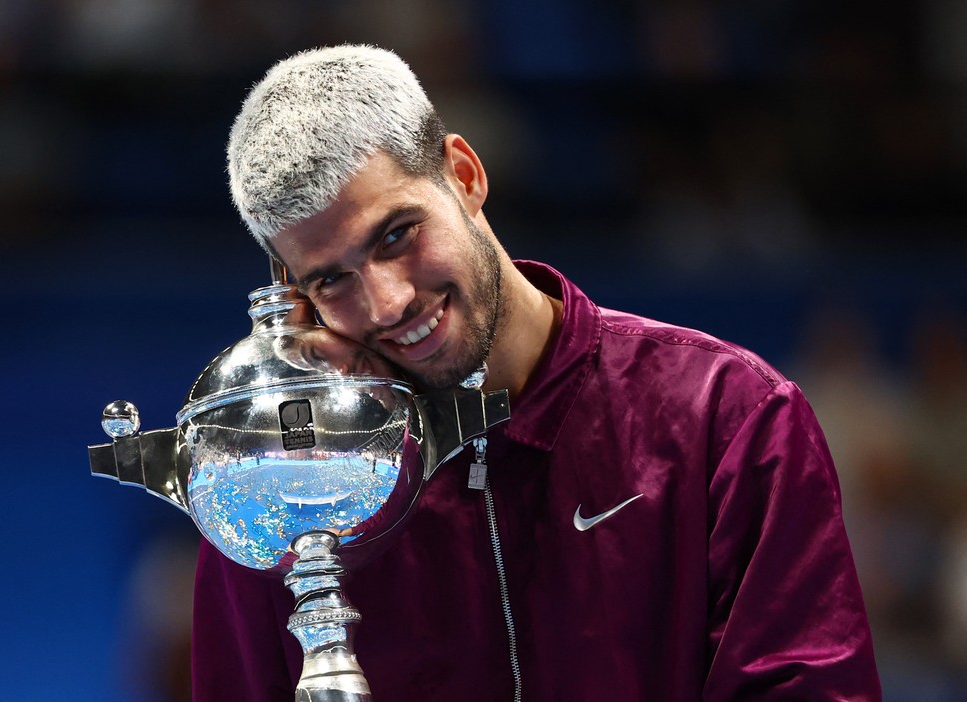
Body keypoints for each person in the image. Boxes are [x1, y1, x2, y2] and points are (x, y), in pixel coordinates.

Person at [192, 45, 881, 701]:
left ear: (463, 174)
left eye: (397, 234)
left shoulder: (726, 418)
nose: (388, 302)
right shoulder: (274, 496)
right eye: (333, 279)